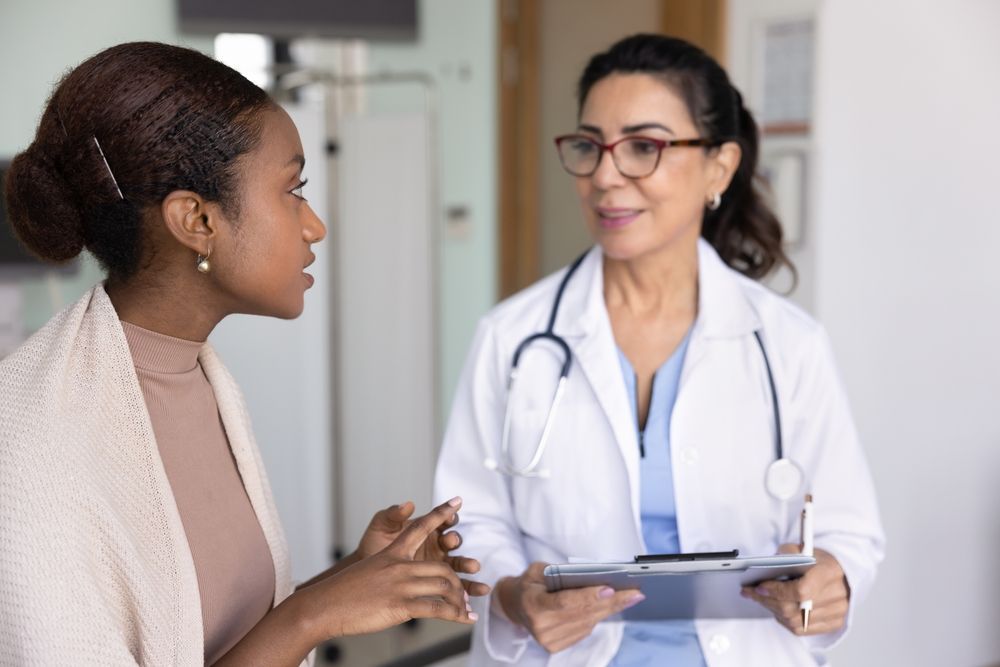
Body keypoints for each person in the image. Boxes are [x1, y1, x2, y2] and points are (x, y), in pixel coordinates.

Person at [0, 42, 487, 666]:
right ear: (197, 220)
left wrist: (355, 578)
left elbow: (203, 637)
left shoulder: (201, 378)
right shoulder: (34, 448)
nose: (314, 225)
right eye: (293, 189)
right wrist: (316, 614)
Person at [435, 34, 884, 666]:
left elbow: (849, 530)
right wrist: (513, 596)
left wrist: (830, 579)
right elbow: (471, 521)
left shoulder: (788, 345)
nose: (605, 176)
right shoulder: (512, 339)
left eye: (643, 147)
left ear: (719, 167)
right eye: (589, 146)